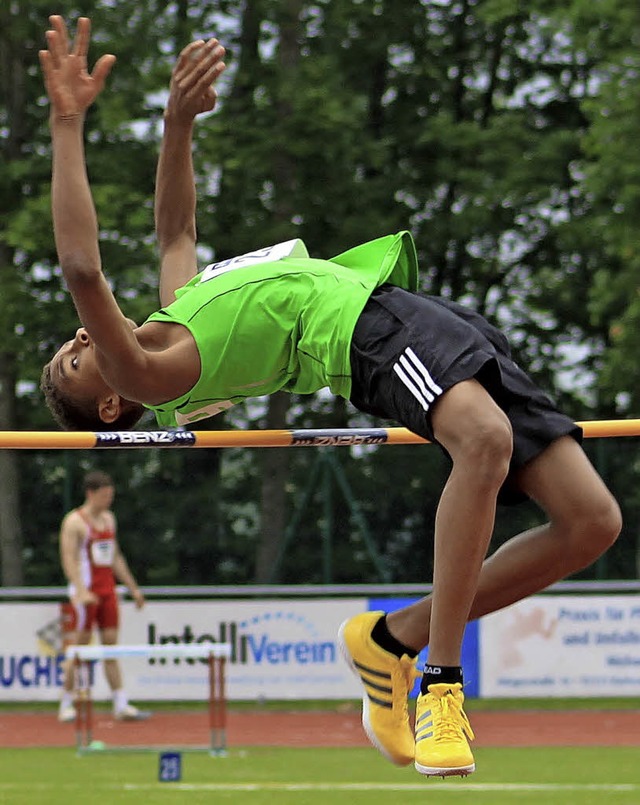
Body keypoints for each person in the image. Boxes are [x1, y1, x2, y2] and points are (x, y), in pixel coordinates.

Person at [39, 16, 622, 775]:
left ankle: (390, 641)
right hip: (361, 335)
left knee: (590, 521)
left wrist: (177, 125)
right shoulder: (152, 375)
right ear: (113, 402)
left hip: (407, 312)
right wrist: (65, 121)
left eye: (73, 341)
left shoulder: (177, 315)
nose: (81, 340)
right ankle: (441, 683)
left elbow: (175, 230)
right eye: (74, 360)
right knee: (482, 441)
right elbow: (82, 269)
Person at [58, 470, 148, 723]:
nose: (109, 500)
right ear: (91, 494)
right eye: (105, 496)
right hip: (86, 591)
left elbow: (116, 557)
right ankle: (66, 701)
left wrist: (133, 588)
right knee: (79, 646)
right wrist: (80, 590)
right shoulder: (74, 522)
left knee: (111, 645)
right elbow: (69, 558)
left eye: (111, 496)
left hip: (107, 589)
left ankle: (120, 703)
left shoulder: (109, 519)